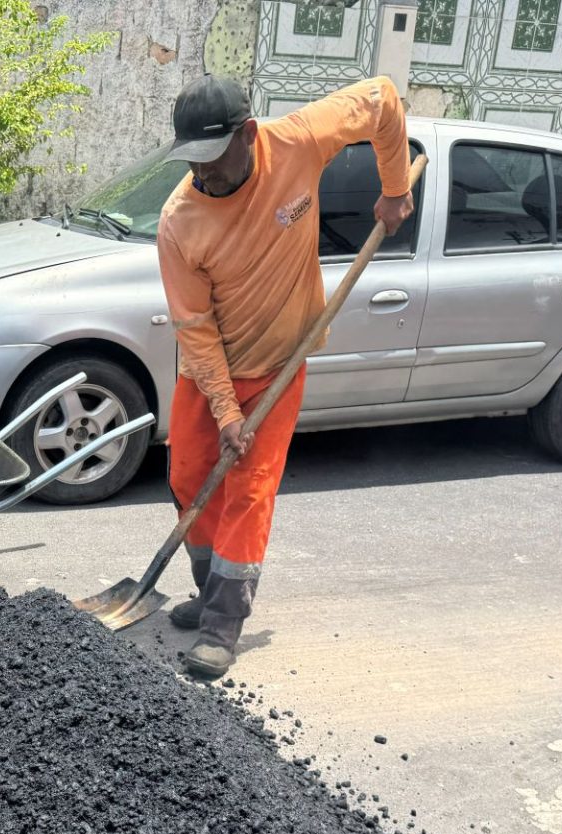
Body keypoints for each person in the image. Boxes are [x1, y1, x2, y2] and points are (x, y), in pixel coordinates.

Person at [157, 74, 414, 678]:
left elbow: (381, 98)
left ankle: (223, 623)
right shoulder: (180, 221)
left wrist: (395, 187)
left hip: (279, 364)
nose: (202, 175)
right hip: (210, 370)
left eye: (211, 160)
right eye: (190, 161)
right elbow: (194, 328)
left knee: (249, 490)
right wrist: (224, 411)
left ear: (248, 136)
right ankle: (206, 588)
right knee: (190, 476)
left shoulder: (298, 141)